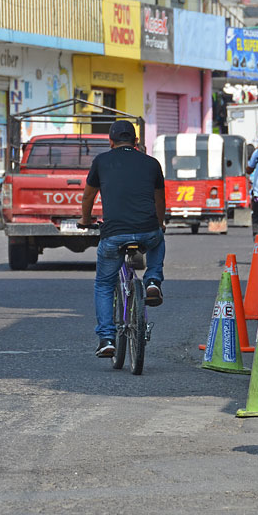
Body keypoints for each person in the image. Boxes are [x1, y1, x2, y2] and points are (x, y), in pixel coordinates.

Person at [80, 120, 166, 358]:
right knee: (158, 240)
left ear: (110, 142)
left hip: (114, 234)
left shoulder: (101, 162)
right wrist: (159, 224)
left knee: (104, 285)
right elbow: (160, 200)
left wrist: (86, 221)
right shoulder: (151, 163)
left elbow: (88, 198)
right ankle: (152, 282)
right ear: (136, 142)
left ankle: (107, 339)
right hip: (148, 230)